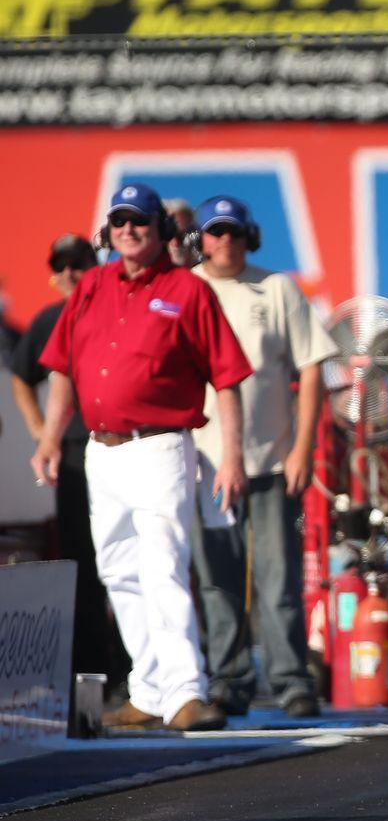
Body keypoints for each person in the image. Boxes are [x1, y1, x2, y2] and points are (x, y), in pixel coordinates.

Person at [31, 182, 252, 731]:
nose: (129, 230)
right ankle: (151, 690)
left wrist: (232, 457)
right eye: (121, 221)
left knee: (162, 565)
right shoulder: (92, 287)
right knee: (119, 571)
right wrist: (51, 438)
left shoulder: (188, 290)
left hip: (159, 447)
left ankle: (186, 692)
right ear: (108, 232)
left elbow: (227, 379)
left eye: (141, 222)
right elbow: (60, 366)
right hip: (102, 451)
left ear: (162, 232)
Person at [188, 196, 337, 718]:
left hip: (273, 461)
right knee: (216, 580)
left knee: (278, 580)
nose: (223, 241)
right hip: (207, 464)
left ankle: (291, 679)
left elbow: (313, 366)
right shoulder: (188, 291)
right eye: (213, 232)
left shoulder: (276, 288)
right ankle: (228, 678)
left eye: (232, 231)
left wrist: (303, 447)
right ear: (197, 240)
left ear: (249, 236)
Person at [10, 234, 127, 707]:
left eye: (79, 263)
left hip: (123, 446)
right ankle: (93, 683)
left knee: (128, 563)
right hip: (77, 453)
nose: (71, 274)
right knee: (83, 564)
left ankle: (131, 673)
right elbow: (23, 374)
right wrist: (43, 432)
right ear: (52, 276)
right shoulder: (50, 319)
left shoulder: (113, 308)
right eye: (63, 267)